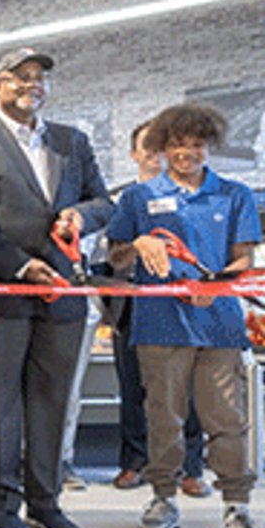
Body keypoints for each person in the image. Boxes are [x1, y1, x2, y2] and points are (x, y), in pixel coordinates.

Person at [0, 47, 113, 528]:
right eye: (20, 77)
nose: (32, 85)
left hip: (63, 290)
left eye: (39, 78)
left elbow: (105, 200)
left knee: (51, 400)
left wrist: (83, 215)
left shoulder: (72, 141)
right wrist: (19, 264)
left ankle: (46, 501)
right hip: (2, 289)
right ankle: (1, 502)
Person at [106, 104, 260, 528]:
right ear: (161, 146)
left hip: (220, 325)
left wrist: (217, 284)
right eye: (177, 145)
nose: (187, 153)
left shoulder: (234, 195)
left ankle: (236, 504)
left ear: (209, 146)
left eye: (196, 145)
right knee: (163, 418)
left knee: (226, 419)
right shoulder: (137, 199)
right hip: (160, 325)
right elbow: (115, 257)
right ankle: (162, 499)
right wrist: (138, 242)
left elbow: (243, 259)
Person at [109, 121, 208, 493]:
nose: (155, 156)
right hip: (134, 306)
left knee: (188, 387)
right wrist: (136, 244)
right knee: (133, 387)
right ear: (135, 154)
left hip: (184, 305)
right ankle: (134, 462)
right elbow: (112, 259)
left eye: (160, 148)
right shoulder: (123, 200)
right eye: (147, 149)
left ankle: (192, 466)